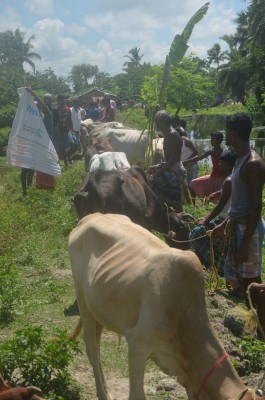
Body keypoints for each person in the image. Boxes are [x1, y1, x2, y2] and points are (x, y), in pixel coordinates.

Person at [212, 113, 265, 310]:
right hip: (239, 225)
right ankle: (255, 323)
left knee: (252, 282)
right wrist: (223, 224)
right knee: (243, 281)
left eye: (227, 131)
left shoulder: (253, 163)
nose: (226, 135)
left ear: (233, 133)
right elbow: (240, 203)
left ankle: (261, 327)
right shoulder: (240, 159)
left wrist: (244, 242)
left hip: (248, 229)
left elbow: (255, 206)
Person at [189, 150, 237, 272]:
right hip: (230, 218)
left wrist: (205, 219)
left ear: (226, 163)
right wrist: (219, 193)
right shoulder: (236, 177)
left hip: (225, 219)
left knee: (195, 234)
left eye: (221, 162)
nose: (219, 164)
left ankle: (214, 265)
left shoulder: (228, 180)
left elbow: (220, 206)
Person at [147, 110, 187, 212]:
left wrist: (156, 174)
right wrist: (158, 166)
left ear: (162, 123)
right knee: (152, 177)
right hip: (173, 168)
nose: (157, 126)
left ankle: (161, 211)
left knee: (153, 183)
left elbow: (173, 159)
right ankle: (171, 211)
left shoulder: (172, 135)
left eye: (157, 123)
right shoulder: (167, 134)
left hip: (176, 171)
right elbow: (171, 159)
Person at [183, 131, 225, 204]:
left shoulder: (224, 153)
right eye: (211, 139)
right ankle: (193, 205)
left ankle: (207, 207)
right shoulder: (211, 152)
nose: (211, 141)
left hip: (221, 179)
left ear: (219, 141)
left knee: (219, 199)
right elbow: (199, 157)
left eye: (213, 139)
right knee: (193, 184)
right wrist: (186, 161)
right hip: (212, 178)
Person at [54, 95, 74, 167]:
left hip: (67, 130)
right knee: (63, 147)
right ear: (58, 101)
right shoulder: (56, 110)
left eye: (64, 100)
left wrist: (72, 128)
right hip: (60, 131)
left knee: (72, 144)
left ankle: (69, 158)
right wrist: (56, 130)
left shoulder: (68, 109)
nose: (63, 101)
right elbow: (55, 121)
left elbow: (69, 119)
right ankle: (65, 161)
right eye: (61, 100)